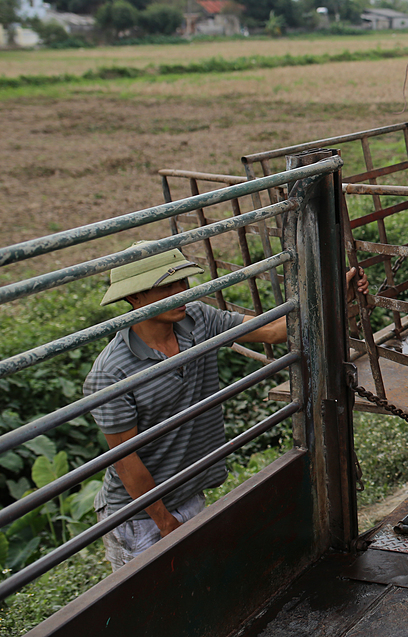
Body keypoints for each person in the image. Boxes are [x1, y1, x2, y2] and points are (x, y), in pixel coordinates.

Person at [84, 242, 367, 569]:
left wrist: (337, 295)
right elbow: (125, 460)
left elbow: (273, 331)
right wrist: (164, 521)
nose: (180, 292)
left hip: (187, 492)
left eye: (182, 282)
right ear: (134, 297)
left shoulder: (198, 319)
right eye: (166, 287)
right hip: (140, 516)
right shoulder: (111, 372)